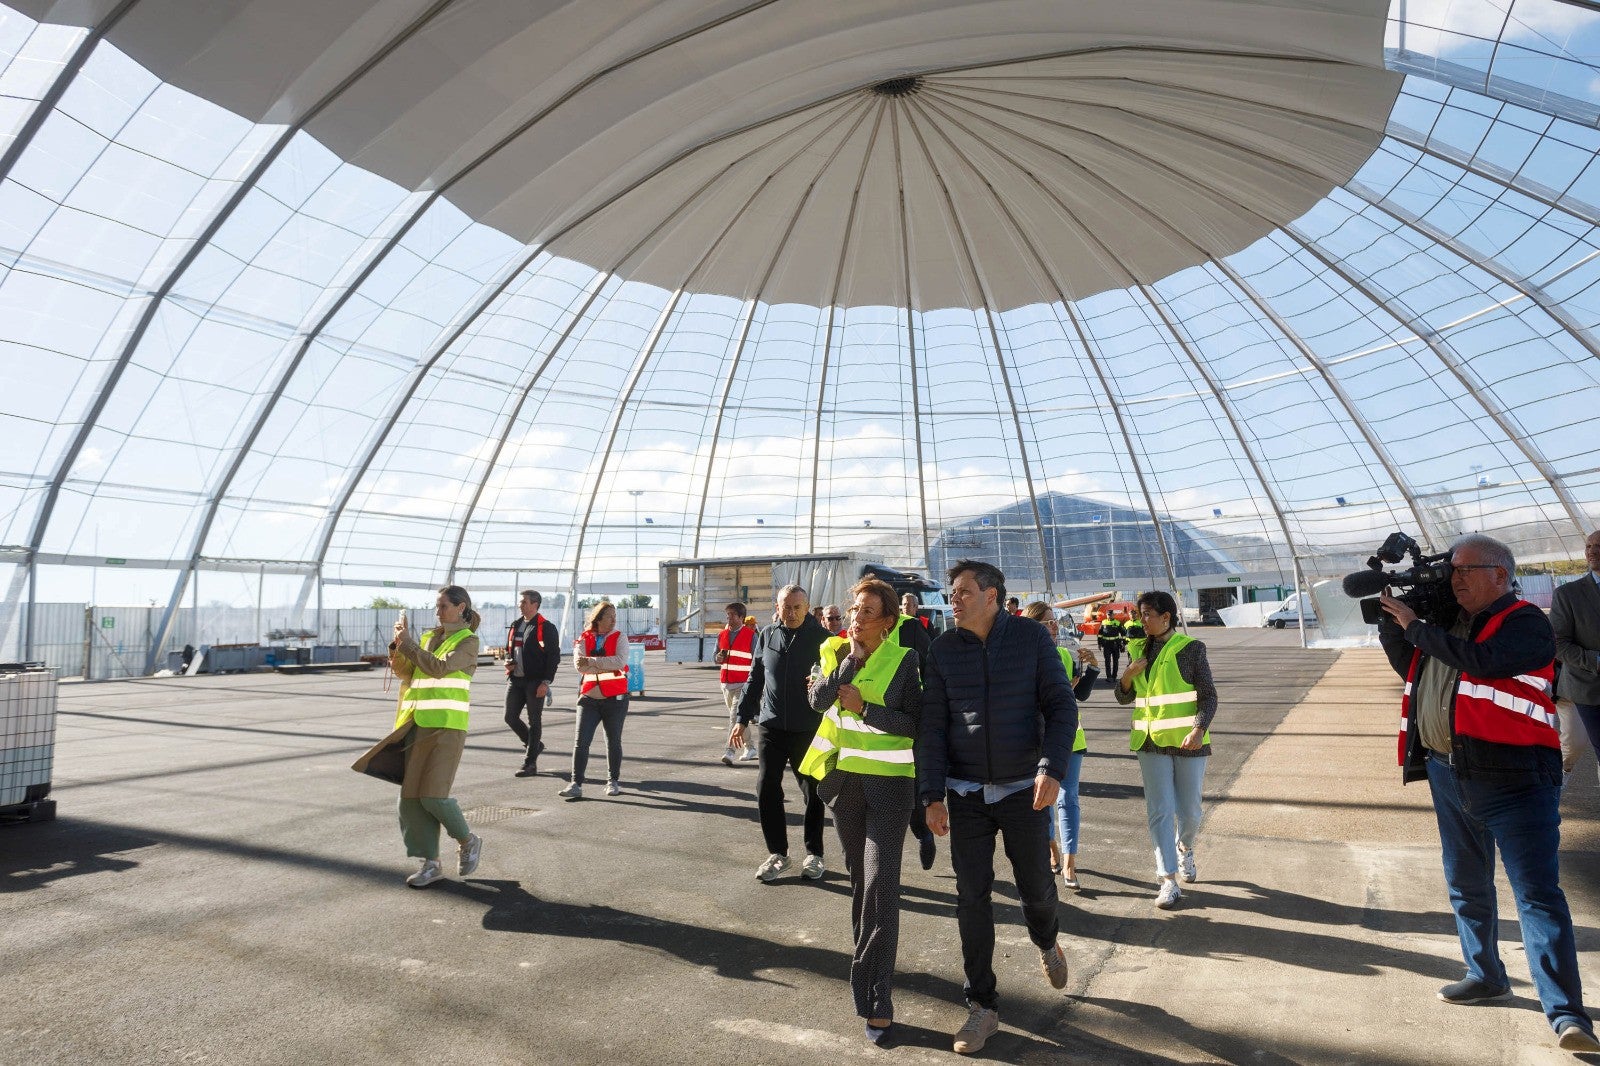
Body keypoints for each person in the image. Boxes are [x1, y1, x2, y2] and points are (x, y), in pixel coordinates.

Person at [1378, 534, 1598, 1053]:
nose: (1454, 579)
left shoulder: (1526, 623)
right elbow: (1411, 667)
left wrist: (1418, 625)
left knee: (1537, 895)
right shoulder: (1447, 627)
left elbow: (1483, 662)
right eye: (1451, 570)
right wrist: (1392, 621)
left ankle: (1567, 1015)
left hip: (1515, 780)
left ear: (1501, 574)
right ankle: (1484, 974)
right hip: (1448, 772)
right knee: (1466, 883)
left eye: (1465, 570)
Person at [920, 559, 1077, 1055]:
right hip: (965, 793)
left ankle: (1046, 940)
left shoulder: (1031, 639)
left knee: (1036, 889)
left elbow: (1061, 706)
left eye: (964, 592)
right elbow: (932, 727)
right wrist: (931, 795)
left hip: (1024, 789)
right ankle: (982, 1006)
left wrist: (1052, 768)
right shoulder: (943, 649)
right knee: (971, 898)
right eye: (952, 592)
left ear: (991, 595)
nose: (954, 600)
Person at [799, 577, 923, 1043]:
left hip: (890, 791)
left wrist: (866, 709)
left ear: (888, 621)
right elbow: (817, 701)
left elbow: (916, 723)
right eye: (854, 609)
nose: (856, 618)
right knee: (860, 887)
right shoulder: (837, 654)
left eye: (868, 612)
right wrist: (849, 661)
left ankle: (877, 998)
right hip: (845, 790)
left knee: (879, 888)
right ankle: (868, 974)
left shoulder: (905, 660)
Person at [362, 585, 484, 888]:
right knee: (410, 799)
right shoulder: (430, 638)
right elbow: (411, 673)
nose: (438, 611)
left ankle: (467, 840)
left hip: (447, 727)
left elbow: (439, 669)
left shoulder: (468, 641)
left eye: (443, 606)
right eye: (437, 606)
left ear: (461, 608)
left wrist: (410, 645)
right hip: (417, 724)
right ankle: (431, 864)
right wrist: (397, 647)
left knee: (433, 796)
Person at [1114, 591, 1215, 910]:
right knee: (1159, 810)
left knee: (1190, 811)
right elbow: (1123, 697)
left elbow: (1209, 696)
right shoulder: (1135, 649)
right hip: (1149, 741)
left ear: (1166, 617)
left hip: (1188, 741)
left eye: (1147, 614)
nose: (1141, 620)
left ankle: (1185, 848)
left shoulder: (1191, 648)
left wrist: (1199, 728)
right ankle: (1168, 880)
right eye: (1139, 614)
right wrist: (1127, 676)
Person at [732, 584, 831, 882]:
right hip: (771, 726)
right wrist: (741, 718)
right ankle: (778, 854)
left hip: (808, 728)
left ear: (807, 607)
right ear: (777, 607)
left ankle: (814, 854)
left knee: (813, 791)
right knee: (766, 788)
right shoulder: (767, 634)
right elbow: (755, 679)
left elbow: (835, 683)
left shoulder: (823, 640)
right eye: (786, 607)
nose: (791, 613)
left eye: (797, 607)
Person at [1020, 602, 1099, 890]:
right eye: (1048, 622)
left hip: (1070, 738)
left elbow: (1080, 695)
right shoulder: (1021, 658)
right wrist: (1063, 690)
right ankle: (1051, 847)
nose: (1054, 626)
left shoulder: (1065, 655)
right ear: (1033, 627)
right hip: (1036, 740)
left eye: (1054, 621)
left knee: (1069, 799)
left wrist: (1092, 668)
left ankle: (1069, 862)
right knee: (1041, 800)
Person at [559, 602, 630, 800]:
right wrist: (602, 664)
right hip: (589, 699)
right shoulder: (584, 638)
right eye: (609, 616)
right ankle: (576, 784)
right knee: (581, 742)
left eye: (615, 616)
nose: (614, 620)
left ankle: (612, 781)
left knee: (613, 741)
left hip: (615, 699)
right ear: (598, 619)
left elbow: (619, 662)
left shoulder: (620, 637)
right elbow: (579, 666)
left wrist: (592, 661)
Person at [1552, 530, 1600, 786]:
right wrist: (1597, 661)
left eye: (1598, 545)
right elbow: (1558, 644)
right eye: (1589, 546)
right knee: (1573, 746)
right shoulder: (1568, 594)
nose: (1592, 551)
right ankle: (1555, 787)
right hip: (1582, 686)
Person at [506, 589, 560, 777]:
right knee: (510, 717)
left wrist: (546, 682)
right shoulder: (516, 624)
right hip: (516, 680)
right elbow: (509, 649)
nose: (520, 605)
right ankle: (534, 745)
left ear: (535, 604)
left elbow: (554, 657)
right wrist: (508, 662)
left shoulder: (546, 627)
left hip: (535, 681)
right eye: (520, 602)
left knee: (534, 721)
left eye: (524, 602)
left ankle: (530, 764)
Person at [716, 602, 758, 765]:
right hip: (726, 684)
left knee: (734, 718)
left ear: (741, 617)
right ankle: (750, 747)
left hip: (743, 684)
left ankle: (730, 751)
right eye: (728, 615)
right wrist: (718, 658)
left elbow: (757, 660)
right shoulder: (722, 635)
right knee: (740, 718)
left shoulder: (751, 635)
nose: (729, 618)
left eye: (733, 615)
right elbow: (714, 657)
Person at [1098, 611, 1125, 679]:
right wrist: (1099, 643)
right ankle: (1109, 677)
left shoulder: (1117, 623)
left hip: (1115, 645)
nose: (1109, 616)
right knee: (1107, 661)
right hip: (1106, 645)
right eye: (1108, 615)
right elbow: (1100, 634)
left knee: (1115, 661)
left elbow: (1123, 633)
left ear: (1113, 615)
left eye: (1111, 615)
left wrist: (1123, 643)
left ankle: (1114, 676)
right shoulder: (1103, 622)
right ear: (1106, 615)